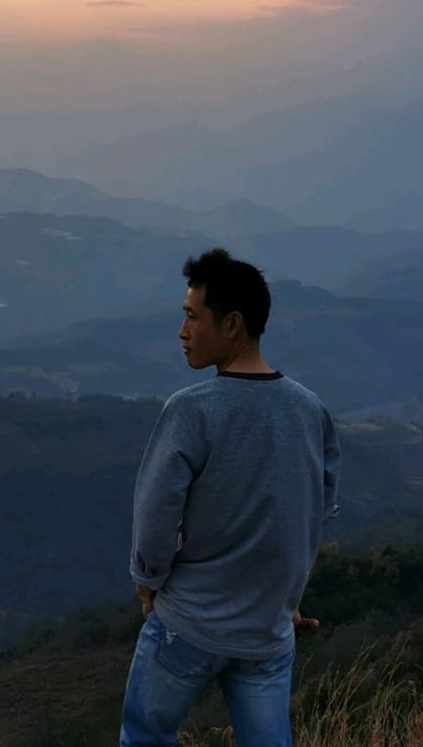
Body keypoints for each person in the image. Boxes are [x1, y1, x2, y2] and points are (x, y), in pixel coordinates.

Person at [119, 247, 340, 747]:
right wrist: (286, 601)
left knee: (145, 736)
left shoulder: (190, 411)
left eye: (192, 316)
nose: (183, 331)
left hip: (188, 625)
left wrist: (146, 585)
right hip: (266, 637)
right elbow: (312, 516)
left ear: (233, 323)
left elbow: (154, 516)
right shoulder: (310, 411)